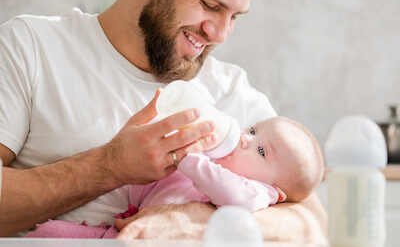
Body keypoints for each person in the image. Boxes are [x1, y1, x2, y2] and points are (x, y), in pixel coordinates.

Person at [0, 0, 327, 242]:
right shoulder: (30, 48)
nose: (221, 34)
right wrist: (110, 166)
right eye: (210, 5)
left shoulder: (233, 92)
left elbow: (311, 224)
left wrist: (197, 219)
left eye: (235, 17)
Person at [25, 116, 324, 238]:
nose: (245, 139)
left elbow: (232, 195)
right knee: (50, 235)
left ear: (276, 191)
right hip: (121, 231)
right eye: (253, 130)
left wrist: (187, 157)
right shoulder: (212, 158)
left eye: (261, 151)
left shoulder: (258, 193)